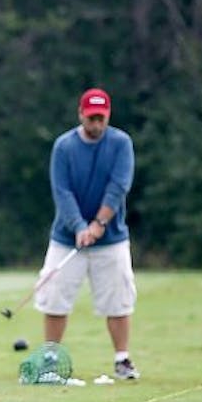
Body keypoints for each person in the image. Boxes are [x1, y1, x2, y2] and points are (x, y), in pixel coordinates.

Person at [35, 87, 139, 379]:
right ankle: (51, 360)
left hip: (111, 238)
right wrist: (80, 227)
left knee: (118, 299)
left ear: (108, 116)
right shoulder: (64, 147)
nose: (96, 124)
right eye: (91, 118)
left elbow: (119, 186)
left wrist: (99, 224)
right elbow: (62, 191)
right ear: (80, 114)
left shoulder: (121, 143)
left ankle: (122, 360)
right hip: (67, 237)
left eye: (101, 118)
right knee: (55, 296)